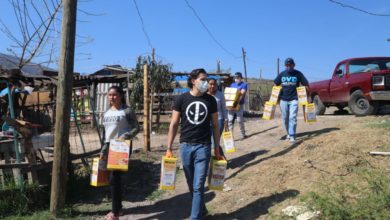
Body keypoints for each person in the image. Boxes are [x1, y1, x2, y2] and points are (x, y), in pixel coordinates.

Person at [166, 68, 223, 220]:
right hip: (185, 146)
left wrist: (217, 147)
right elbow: (173, 124)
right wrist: (169, 148)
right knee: (191, 184)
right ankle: (201, 209)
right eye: (202, 79)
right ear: (193, 81)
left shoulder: (210, 100)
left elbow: (216, 125)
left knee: (198, 186)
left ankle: (194, 217)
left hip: (203, 147)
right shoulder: (181, 99)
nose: (205, 83)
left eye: (206, 79)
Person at [100, 86, 139, 220]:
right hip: (109, 146)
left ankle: (115, 213)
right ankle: (119, 208)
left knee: (114, 178)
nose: (112, 97)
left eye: (114, 95)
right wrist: (103, 150)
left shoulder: (127, 111)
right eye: (110, 95)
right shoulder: (106, 113)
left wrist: (126, 136)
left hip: (121, 146)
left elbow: (136, 128)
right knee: (113, 178)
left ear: (121, 96)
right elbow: (106, 134)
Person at [274, 58, 309, 143]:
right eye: (287, 65)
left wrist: (306, 95)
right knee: (285, 118)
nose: (289, 66)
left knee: (292, 117)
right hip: (283, 99)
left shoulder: (298, 74)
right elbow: (275, 83)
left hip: (294, 99)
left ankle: (292, 135)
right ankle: (288, 133)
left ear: (294, 65)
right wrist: (275, 96)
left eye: (290, 65)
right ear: (285, 66)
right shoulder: (282, 74)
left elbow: (306, 84)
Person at [207, 78, 227, 159]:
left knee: (215, 140)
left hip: (219, 120)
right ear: (207, 85)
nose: (212, 86)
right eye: (210, 84)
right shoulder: (204, 95)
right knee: (208, 141)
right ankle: (216, 159)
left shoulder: (220, 95)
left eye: (214, 84)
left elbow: (224, 108)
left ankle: (221, 158)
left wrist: (226, 120)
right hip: (207, 121)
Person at [227, 72, 248, 139]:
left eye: (238, 78)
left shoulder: (244, 85)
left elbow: (242, 94)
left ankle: (243, 134)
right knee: (230, 120)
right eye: (235, 78)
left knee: (239, 120)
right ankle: (230, 136)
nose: (236, 79)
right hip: (231, 105)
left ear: (241, 78)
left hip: (239, 105)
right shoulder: (232, 85)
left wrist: (237, 101)